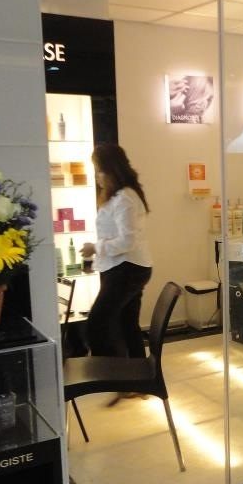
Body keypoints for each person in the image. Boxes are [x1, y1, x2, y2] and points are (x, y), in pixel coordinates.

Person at [80, 144, 153, 363]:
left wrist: (96, 248)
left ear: (112, 170)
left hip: (127, 269)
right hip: (124, 267)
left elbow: (127, 241)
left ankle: (108, 372)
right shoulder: (120, 196)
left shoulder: (125, 198)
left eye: (99, 171)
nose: (97, 177)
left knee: (98, 323)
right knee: (126, 323)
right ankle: (137, 373)